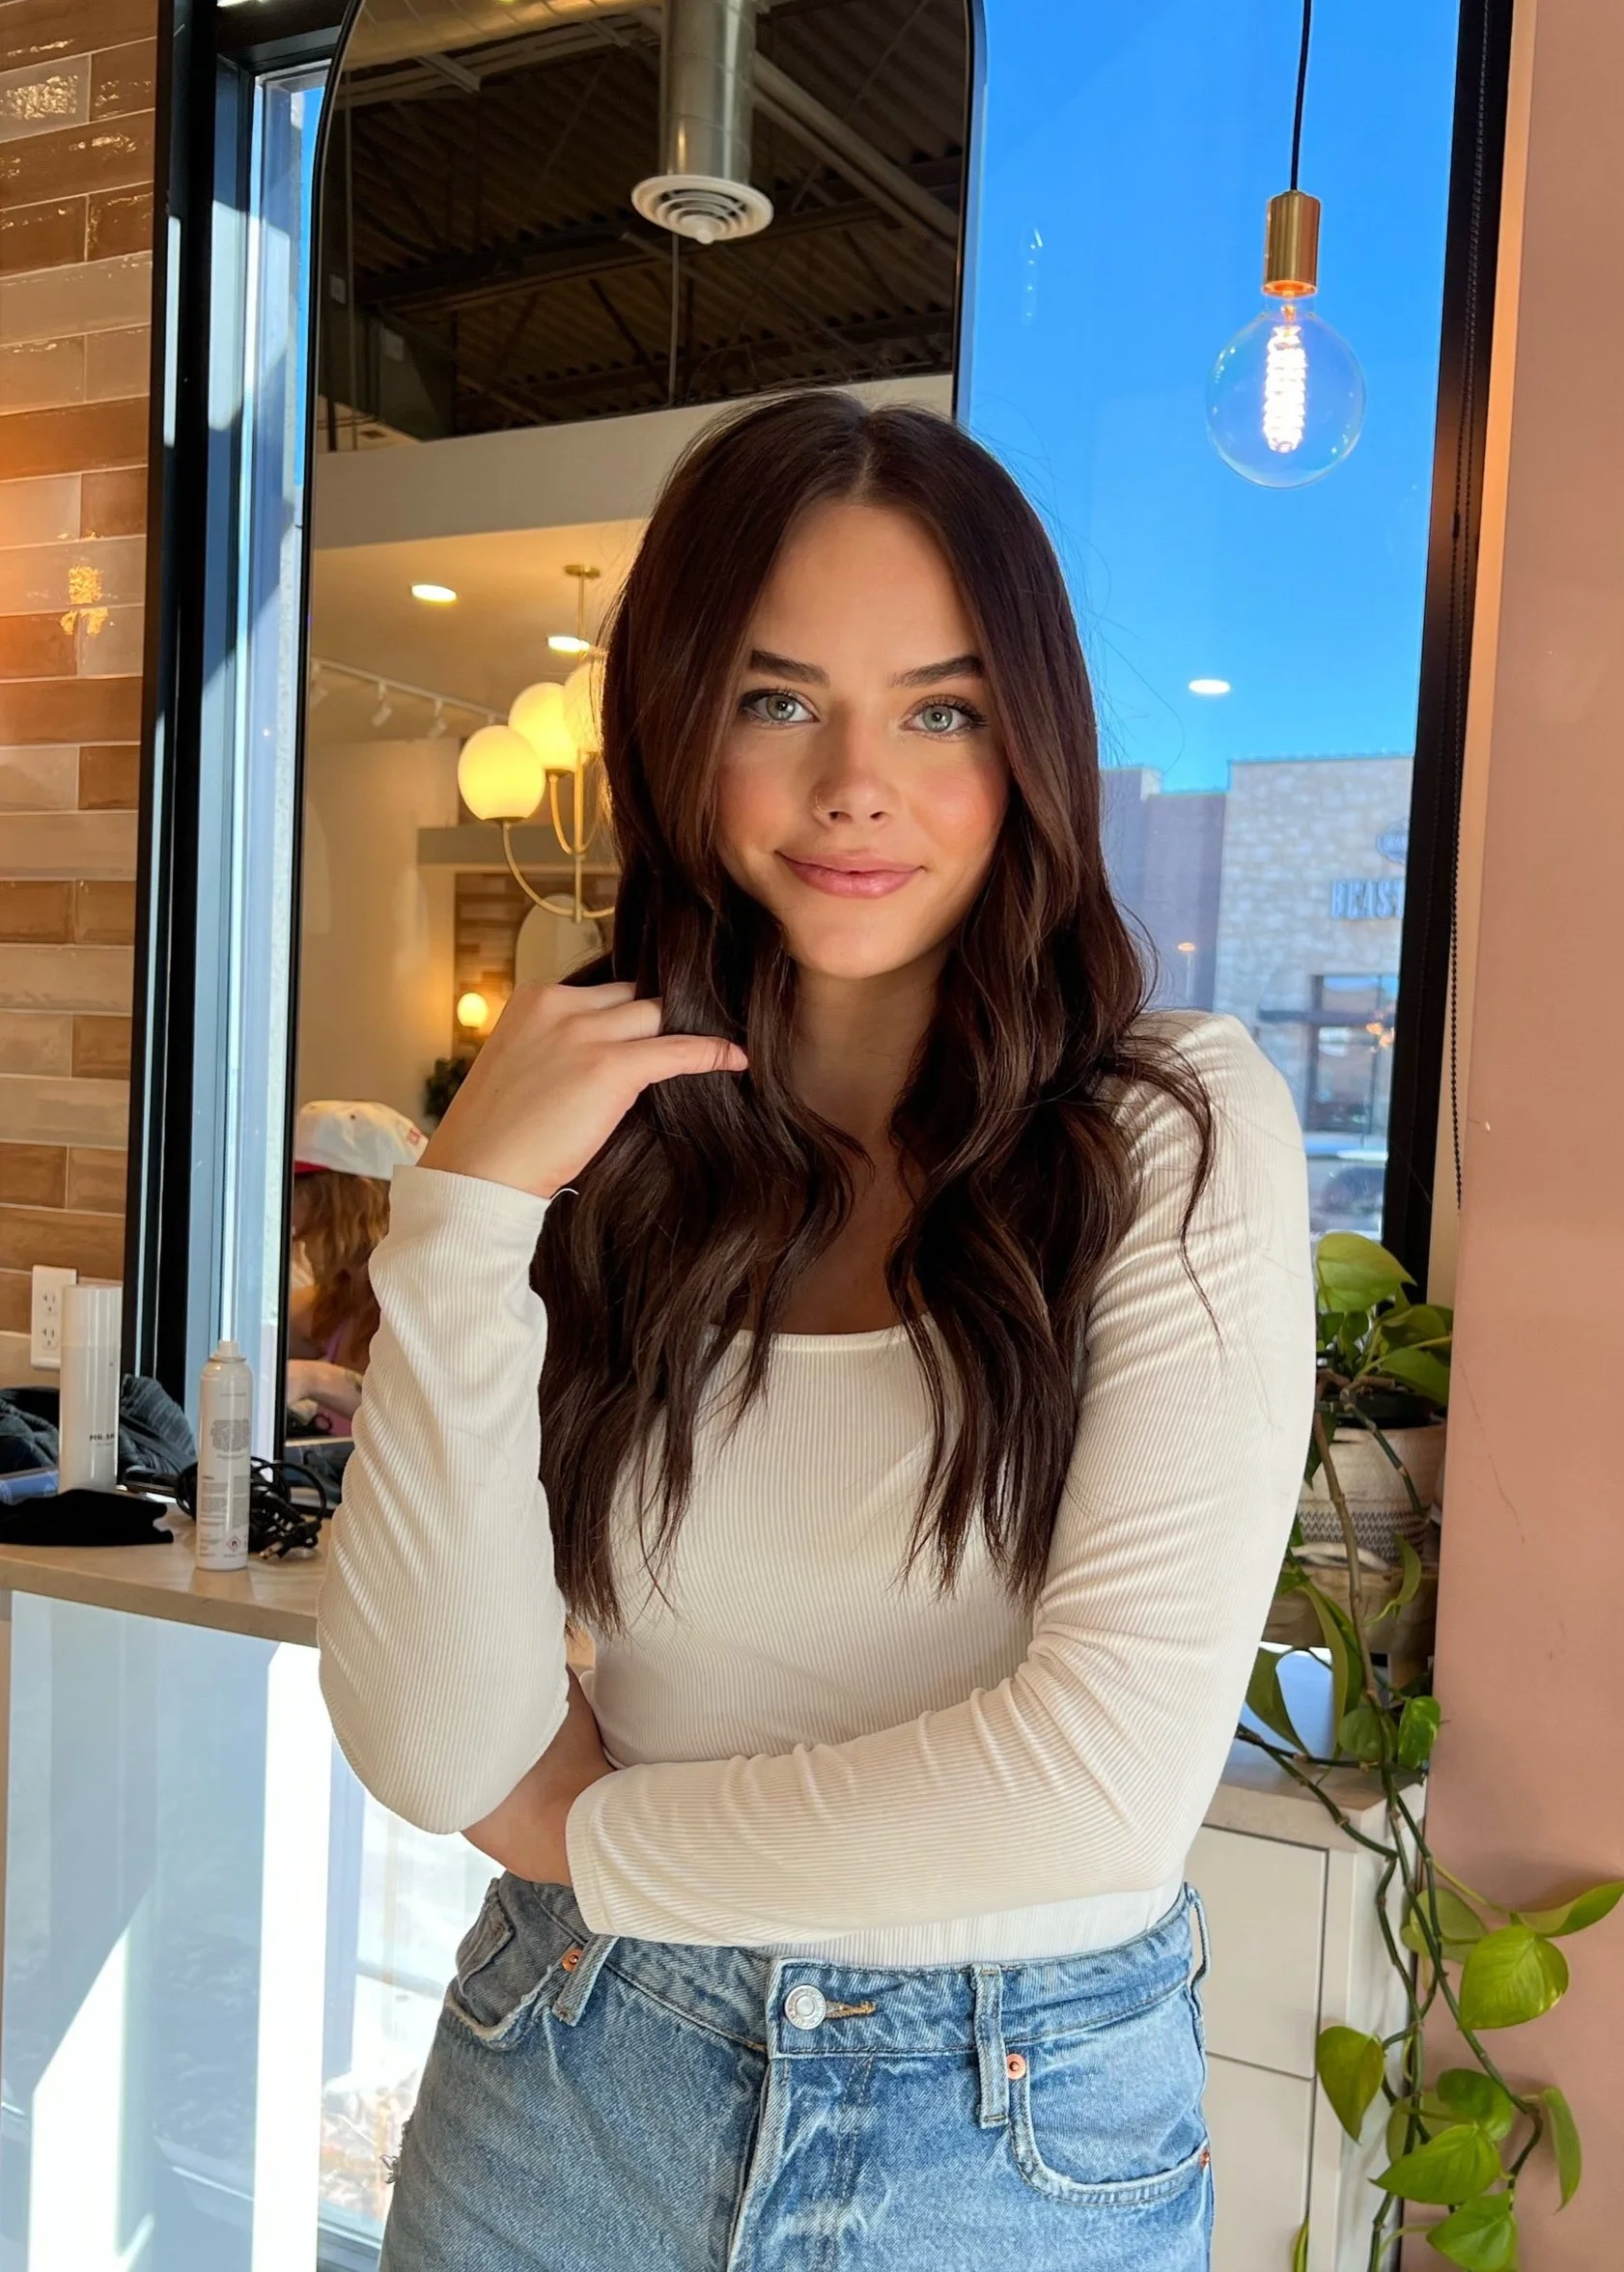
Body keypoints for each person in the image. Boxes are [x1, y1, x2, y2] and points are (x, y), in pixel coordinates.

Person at [319, 391, 1313, 2271]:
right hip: (564, 2080)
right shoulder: (613, 1143)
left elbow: (1098, 1792)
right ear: (680, 731)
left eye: (940, 710)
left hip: (999, 2140)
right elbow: (438, 1743)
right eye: (781, 701)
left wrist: (596, 1847)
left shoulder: (1169, 1134)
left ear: (1027, 745)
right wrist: (459, 1222)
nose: (860, 782)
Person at [288, 1099, 426, 1429]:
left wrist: (316, 1378)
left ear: (357, 1200)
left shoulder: (429, 1303)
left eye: (302, 1187)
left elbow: (426, 1423)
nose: (289, 1204)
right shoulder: (335, 1303)